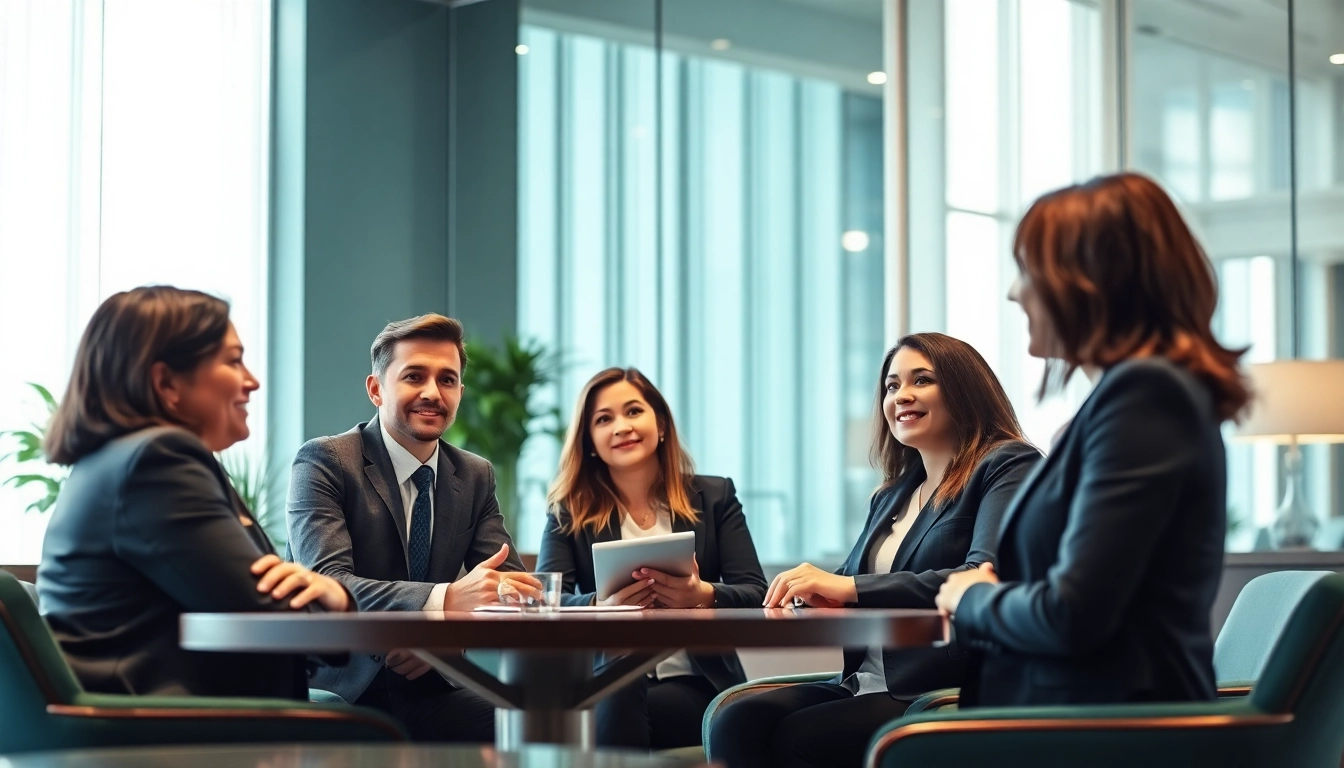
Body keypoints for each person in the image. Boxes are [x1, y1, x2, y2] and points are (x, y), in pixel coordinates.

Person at [935, 172, 1252, 707]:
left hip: (1100, 732)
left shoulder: (1147, 394)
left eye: (1029, 270)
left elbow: (1072, 616)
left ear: (1092, 282)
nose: (1016, 292)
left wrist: (977, 598)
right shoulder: (1132, 397)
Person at [707, 332, 1040, 768]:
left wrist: (847, 588)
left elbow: (982, 574)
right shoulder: (892, 495)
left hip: (937, 686)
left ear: (965, 387)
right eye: (892, 386)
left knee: (802, 738)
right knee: (737, 720)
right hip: (863, 681)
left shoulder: (1006, 465)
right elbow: (846, 588)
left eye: (922, 380)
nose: (902, 395)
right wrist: (813, 599)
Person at [38, 286, 350, 699]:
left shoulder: (121, 459)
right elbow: (264, 617)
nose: (252, 381)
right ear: (166, 382)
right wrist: (337, 599)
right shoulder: (157, 462)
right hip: (164, 736)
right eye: (234, 361)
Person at [286, 313, 535, 742]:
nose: (432, 393)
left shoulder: (474, 475)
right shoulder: (325, 461)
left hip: (430, 683)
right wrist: (445, 600)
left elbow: (512, 588)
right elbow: (328, 582)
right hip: (339, 685)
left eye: (448, 380)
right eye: (414, 376)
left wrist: (444, 637)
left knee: (531, 728)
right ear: (376, 389)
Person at [536, 367, 767, 751]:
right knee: (619, 686)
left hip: (696, 685)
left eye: (633, 411)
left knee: (621, 704)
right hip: (606, 679)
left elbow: (756, 592)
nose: (621, 427)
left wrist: (703, 594)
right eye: (604, 419)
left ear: (659, 423)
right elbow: (547, 598)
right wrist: (599, 605)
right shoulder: (568, 511)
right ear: (590, 441)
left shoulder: (715, 497)